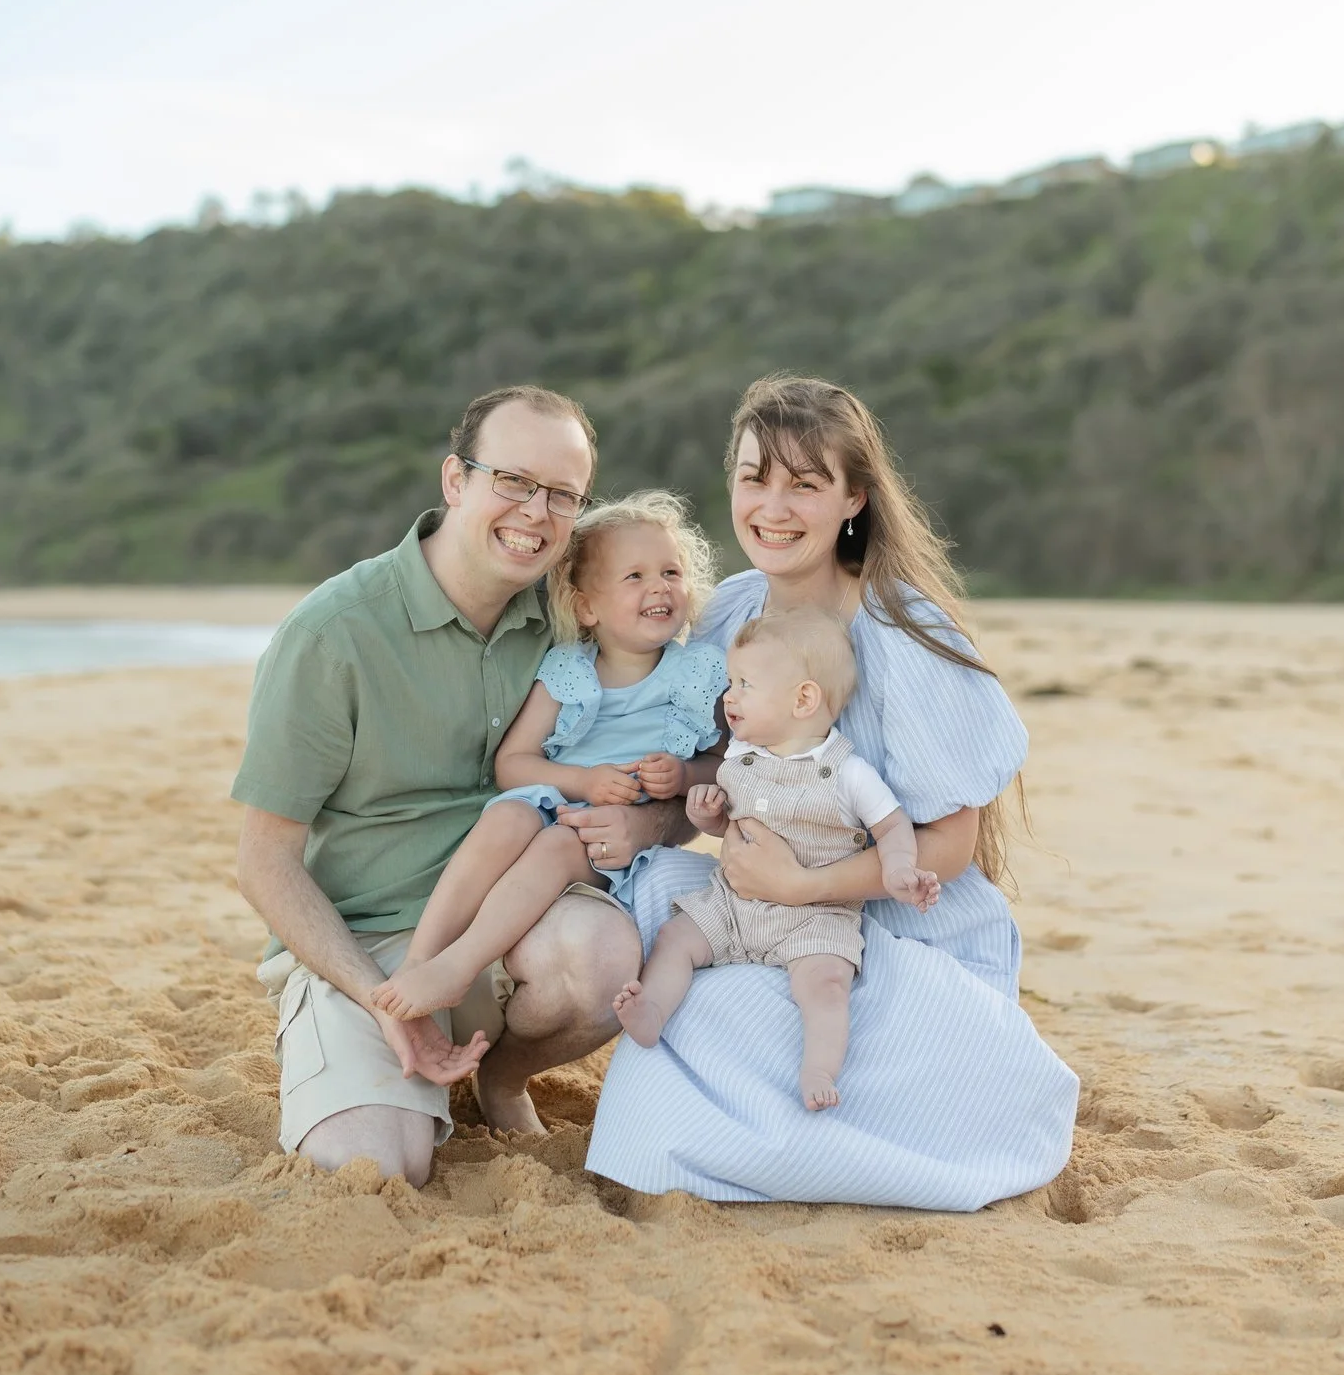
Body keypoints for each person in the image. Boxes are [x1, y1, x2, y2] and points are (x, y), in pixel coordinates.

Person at [585, 374, 1080, 1208]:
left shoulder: (902, 633)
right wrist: (650, 824)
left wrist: (804, 885)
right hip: (767, 919)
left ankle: (810, 1140)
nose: (771, 506)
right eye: (754, 478)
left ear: (853, 498)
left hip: (904, 934)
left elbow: (951, 848)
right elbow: (714, 772)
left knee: (751, 1021)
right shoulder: (730, 618)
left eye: (804, 484)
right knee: (667, 930)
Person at [232, 387, 687, 1184]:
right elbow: (264, 863)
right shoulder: (331, 635)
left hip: (514, 923)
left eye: (561, 495)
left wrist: (651, 825)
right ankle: (366, 1056)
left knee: (601, 954)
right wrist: (376, 995)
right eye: (512, 480)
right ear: (454, 481)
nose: (535, 512)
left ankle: (499, 1074)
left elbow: (689, 762)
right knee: (369, 1167)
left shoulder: (576, 620)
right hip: (367, 946)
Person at [370, 489, 727, 1043]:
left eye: (671, 571)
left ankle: (460, 966)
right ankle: (422, 956)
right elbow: (513, 764)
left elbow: (725, 767)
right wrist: (581, 781)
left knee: (558, 846)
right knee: (508, 818)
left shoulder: (699, 673)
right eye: (634, 577)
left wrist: (683, 778)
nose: (659, 586)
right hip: (555, 799)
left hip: (608, 844)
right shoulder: (569, 669)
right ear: (587, 607)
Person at [613, 606, 940, 1110]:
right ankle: (652, 1011)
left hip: (816, 916)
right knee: (678, 936)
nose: (729, 696)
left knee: (827, 983)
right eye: (730, 681)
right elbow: (731, 829)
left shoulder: (848, 772)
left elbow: (892, 826)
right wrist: (710, 817)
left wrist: (898, 869)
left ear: (804, 698)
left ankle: (819, 1067)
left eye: (745, 683)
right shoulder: (739, 760)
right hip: (736, 903)